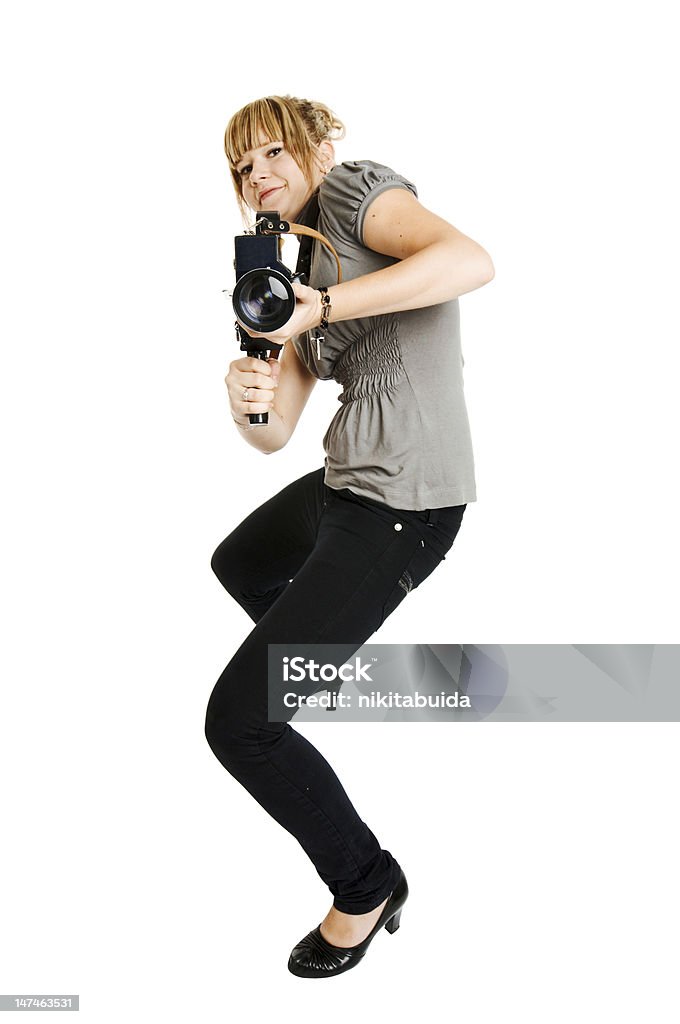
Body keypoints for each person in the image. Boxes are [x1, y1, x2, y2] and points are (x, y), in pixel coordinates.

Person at [205, 94, 494, 979]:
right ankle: (320, 655)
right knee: (240, 559)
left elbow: (470, 261)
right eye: (243, 167)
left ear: (319, 146)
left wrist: (318, 307)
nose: (260, 176)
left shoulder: (358, 198)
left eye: (273, 154)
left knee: (238, 725)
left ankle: (365, 884)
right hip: (345, 479)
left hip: (406, 502)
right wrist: (246, 395)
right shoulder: (286, 265)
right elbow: (276, 432)